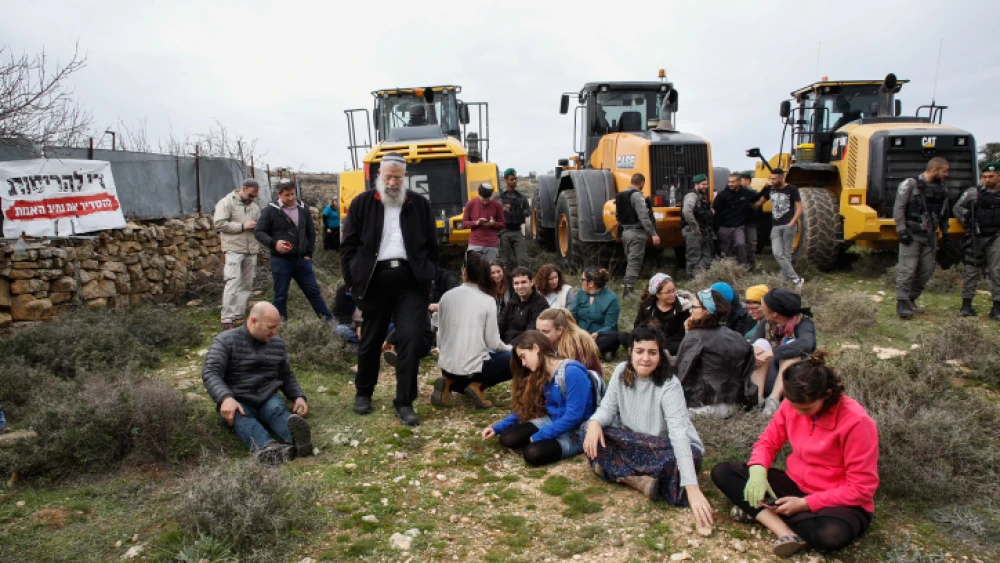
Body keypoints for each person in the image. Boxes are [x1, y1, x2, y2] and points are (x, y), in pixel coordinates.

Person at [711, 354, 879, 558]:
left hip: (837, 500)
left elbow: (861, 488)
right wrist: (757, 471)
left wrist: (806, 504)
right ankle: (784, 530)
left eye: (807, 408)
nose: (799, 414)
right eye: (794, 407)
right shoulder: (791, 405)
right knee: (724, 472)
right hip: (796, 485)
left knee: (832, 535)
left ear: (826, 395)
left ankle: (764, 512)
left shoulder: (857, 423)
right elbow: (767, 443)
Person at [340, 152, 440, 426]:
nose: (393, 181)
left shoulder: (419, 204)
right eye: (388, 176)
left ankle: (405, 402)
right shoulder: (362, 203)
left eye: (398, 177)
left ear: (405, 177)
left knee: (409, 339)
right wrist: (352, 281)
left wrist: (427, 275)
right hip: (375, 280)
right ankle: (364, 393)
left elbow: (433, 244)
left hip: (411, 282)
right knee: (370, 339)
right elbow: (348, 246)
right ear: (379, 176)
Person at [583, 326, 714, 530]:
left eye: (652, 352)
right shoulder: (620, 372)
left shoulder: (670, 385)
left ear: (660, 355)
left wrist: (693, 489)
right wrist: (594, 423)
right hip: (634, 441)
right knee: (590, 430)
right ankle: (639, 479)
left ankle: (618, 471)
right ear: (630, 352)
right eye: (640, 351)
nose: (645, 358)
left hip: (664, 447)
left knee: (684, 461)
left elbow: (679, 435)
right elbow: (607, 408)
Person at [201, 302, 313, 464]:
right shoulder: (225, 341)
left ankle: (298, 440)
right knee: (241, 418)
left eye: (276, 327)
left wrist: (298, 396)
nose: (275, 332)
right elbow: (210, 372)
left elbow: (286, 375)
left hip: (267, 396)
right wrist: (225, 398)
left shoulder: (277, 344)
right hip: (238, 399)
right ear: (253, 321)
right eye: (270, 327)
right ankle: (268, 447)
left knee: (277, 411)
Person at [481, 330, 596, 466]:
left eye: (523, 356)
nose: (523, 363)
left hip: (576, 431)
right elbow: (526, 406)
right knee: (507, 438)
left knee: (532, 454)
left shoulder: (572, 372)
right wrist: (497, 428)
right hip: (552, 420)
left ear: (536, 348)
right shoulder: (542, 373)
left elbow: (574, 416)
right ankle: (545, 441)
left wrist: (541, 435)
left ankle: (573, 447)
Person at [434, 251, 513, 409]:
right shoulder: (487, 301)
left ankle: (449, 383)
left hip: (446, 365)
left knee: (463, 366)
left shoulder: (446, 296)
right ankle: (477, 386)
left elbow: (439, 335)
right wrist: (511, 349)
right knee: (515, 358)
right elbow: (494, 343)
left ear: (464, 271)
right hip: (473, 369)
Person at [255, 180, 333, 321]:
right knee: (280, 295)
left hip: (302, 260)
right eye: (287, 195)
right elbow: (259, 232)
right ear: (279, 194)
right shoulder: (270, 210)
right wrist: (274, 243)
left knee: (313, 291)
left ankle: (328, 322)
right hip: (280, 260)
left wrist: (309, 254)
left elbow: (311, 232)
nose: (291, 198)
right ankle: (280, 326)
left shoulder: (303, 208)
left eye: (292, 194)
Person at [677, 288, 756, 419]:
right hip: (735, 405)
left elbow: (680, 373)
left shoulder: (695, 336)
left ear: (707, 311)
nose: (690, 311)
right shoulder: (737, 336)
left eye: (694, 307)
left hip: (702, 405)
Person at [894, 157, 953, 319]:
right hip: (912, 234)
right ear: (935, 170)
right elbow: (899, 208)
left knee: (927, 270)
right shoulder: (911, 184)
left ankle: (911, 298)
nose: (947, 174)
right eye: (944, 171)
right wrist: (902, 230)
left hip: (931, 235)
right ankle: (902, 302)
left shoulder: (942, 187)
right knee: (907, 269)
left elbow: (944, 212)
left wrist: (945, 233)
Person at [750, 289, 817, 416]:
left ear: (775, 313)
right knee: (759, 344)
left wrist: (773, 353)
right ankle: (757, 398)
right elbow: (754, 341)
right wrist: (755, 350)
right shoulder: (767, 322)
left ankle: (773, 401)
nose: (761, 309)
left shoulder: (803, 323)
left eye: (763, 306)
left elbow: (807, 343)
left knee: (791, 345)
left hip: (792, 380)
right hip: (767, 375)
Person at [214, 178, 261, 330]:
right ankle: (227, 318)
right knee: (233, 282)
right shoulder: (226, 202)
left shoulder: (254, 207)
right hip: (234, 248)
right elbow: (219, 223)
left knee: (246, 284)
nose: (252, 199)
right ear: (243, 188)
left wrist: (257, 228)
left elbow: (260, 224)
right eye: (250, 195)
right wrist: (242, 226)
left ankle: (238, 315)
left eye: (254, 197)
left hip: (251, 249)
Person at [955, 162, 1000, 319]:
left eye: (991, 177)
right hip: (975, 236)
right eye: (985, 176)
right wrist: (968, 221)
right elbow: (957, 208)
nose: (987, 180)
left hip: (996, 237)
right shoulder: (973, 193)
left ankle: (997, 307)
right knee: (971, 271)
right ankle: (966, 305)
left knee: (996, 271)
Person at [615, 173, 660, 296]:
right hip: (636, 232)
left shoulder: (621, 195)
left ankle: (627, 287)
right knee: (635, 261)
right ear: (642, 183)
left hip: (625, 232)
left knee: (630, 260)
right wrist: (654, 233)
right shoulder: (637, 196)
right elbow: (644, 216)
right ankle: (629, 290)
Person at [759, 169, 804, 286]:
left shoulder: (792, 189)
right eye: (771, 178)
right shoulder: (770, 189)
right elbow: (759, 202)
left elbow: (799, 208)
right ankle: (796, 279)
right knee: (778, 253)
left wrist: (792, 223)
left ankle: (785, 279)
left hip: (788, 225)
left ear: (781, 178)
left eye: (774, 178)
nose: (772, 180)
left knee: (787, 254)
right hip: (775, 226)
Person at [569, 267, 622, 360]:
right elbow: (572, 312)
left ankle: (582, 351)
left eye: (583, 279)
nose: (581, 282)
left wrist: (598, 333)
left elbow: (611, 325)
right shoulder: (581, 293)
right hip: (580, 334)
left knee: (613, 337)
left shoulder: (612, 299)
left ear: (591, 283)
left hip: (598, 337)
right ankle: (596, 353)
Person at [633, 273, 690, 356]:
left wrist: (662, 342)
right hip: (649, 340)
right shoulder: (647, 306)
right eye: (668, 292)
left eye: (674, 290)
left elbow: (681, 334)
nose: (673, 295)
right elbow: (638, 325)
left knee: (679, 346)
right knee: (624, 337)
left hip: (670, 343)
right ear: (658, 295)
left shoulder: (683, 308)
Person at [536, 308, 603, 375]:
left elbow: (573, 376)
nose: (539, 335)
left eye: (545, 332)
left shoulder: (576, 345)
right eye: (538, 331)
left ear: (560, 330)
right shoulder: (549, 342)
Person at [713, 173, 762, 266]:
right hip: (724, 227)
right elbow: (716, 212)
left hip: (738, 226)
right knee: (727, 250)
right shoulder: (722, 195)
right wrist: (716, 228)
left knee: (741, 244)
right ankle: (729, 269)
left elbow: (757, 197)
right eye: (729, 182)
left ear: (739, 182)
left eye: (733, 182)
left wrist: (765, 190)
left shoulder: (745, 192)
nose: (730, 184)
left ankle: (743, 267)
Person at [499, 267, 549, 344]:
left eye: (523, 282)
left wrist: (510, 346)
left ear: (531, 282)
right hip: (505, 344)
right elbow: (501, 323)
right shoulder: (512, 301)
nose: (520, 286)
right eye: (516, 283)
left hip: (525, 346)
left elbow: (531, 332)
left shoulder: (540, 304)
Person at [681, 174, 714, 278]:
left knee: (707, 257)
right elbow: (686, 211)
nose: (706, 186)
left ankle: (700, 277)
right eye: (703, 184)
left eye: (706, 184)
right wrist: (695, 227)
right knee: (693, 257)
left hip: (703, 230)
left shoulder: (700, 196)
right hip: (693, 231)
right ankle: (693, 279)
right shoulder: (691, 196)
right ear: (696, 184)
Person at [463, 182, 505, 261]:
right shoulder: (471, 204)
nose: (485, 202)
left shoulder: (497, 205)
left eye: (488, 200)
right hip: (475, 243)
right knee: (474, 269)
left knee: (490, 270)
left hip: (491, 244)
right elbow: (464, 223)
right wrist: (476, 223)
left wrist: (493, 224)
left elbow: (502, 224)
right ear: (479, 195)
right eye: (483, 200)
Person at [497, 168, 530, 269]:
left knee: (523, 262)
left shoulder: (522, 197)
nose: (514, 181)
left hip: (517, 231)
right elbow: (491, 212)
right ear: (506, 180)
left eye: (515, 179)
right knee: (503, 262)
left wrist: (520, 213)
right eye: (511, 179)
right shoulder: (498, 197)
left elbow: (528, 211)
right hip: (504, 231)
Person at [741, 173, 761, 269]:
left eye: (742, 180)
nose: (740, 182)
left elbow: (757, 207)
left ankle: (751, 268)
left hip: (750, 223)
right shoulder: (739, 193)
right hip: (740, 224)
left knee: (751, 247)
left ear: (748, 181)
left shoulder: (754, 193)